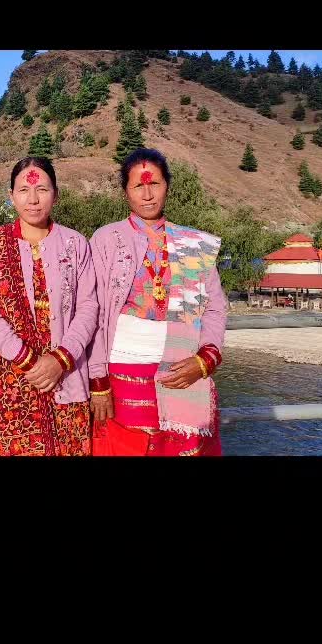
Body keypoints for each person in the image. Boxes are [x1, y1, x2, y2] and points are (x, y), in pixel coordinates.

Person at [88, 148, 226, 456]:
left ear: (168, 186)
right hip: (122, 375)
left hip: (183, 371)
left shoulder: (193, 245)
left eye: (155, 184)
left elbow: (215, 308)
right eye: (138, 185)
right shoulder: (106, 239)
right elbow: (93, 312)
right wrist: (98, 381)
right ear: (125, 191)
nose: (148, 194)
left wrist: (204, 360)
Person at [0, 157, 98, 456]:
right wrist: (28, 360)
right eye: (24, 190)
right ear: (11, 195)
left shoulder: (75, 244)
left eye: (42, 189)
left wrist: (60, 360)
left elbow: (88, 307)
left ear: (56, 194)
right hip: (6, 381)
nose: (33, 199)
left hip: (66, 378)